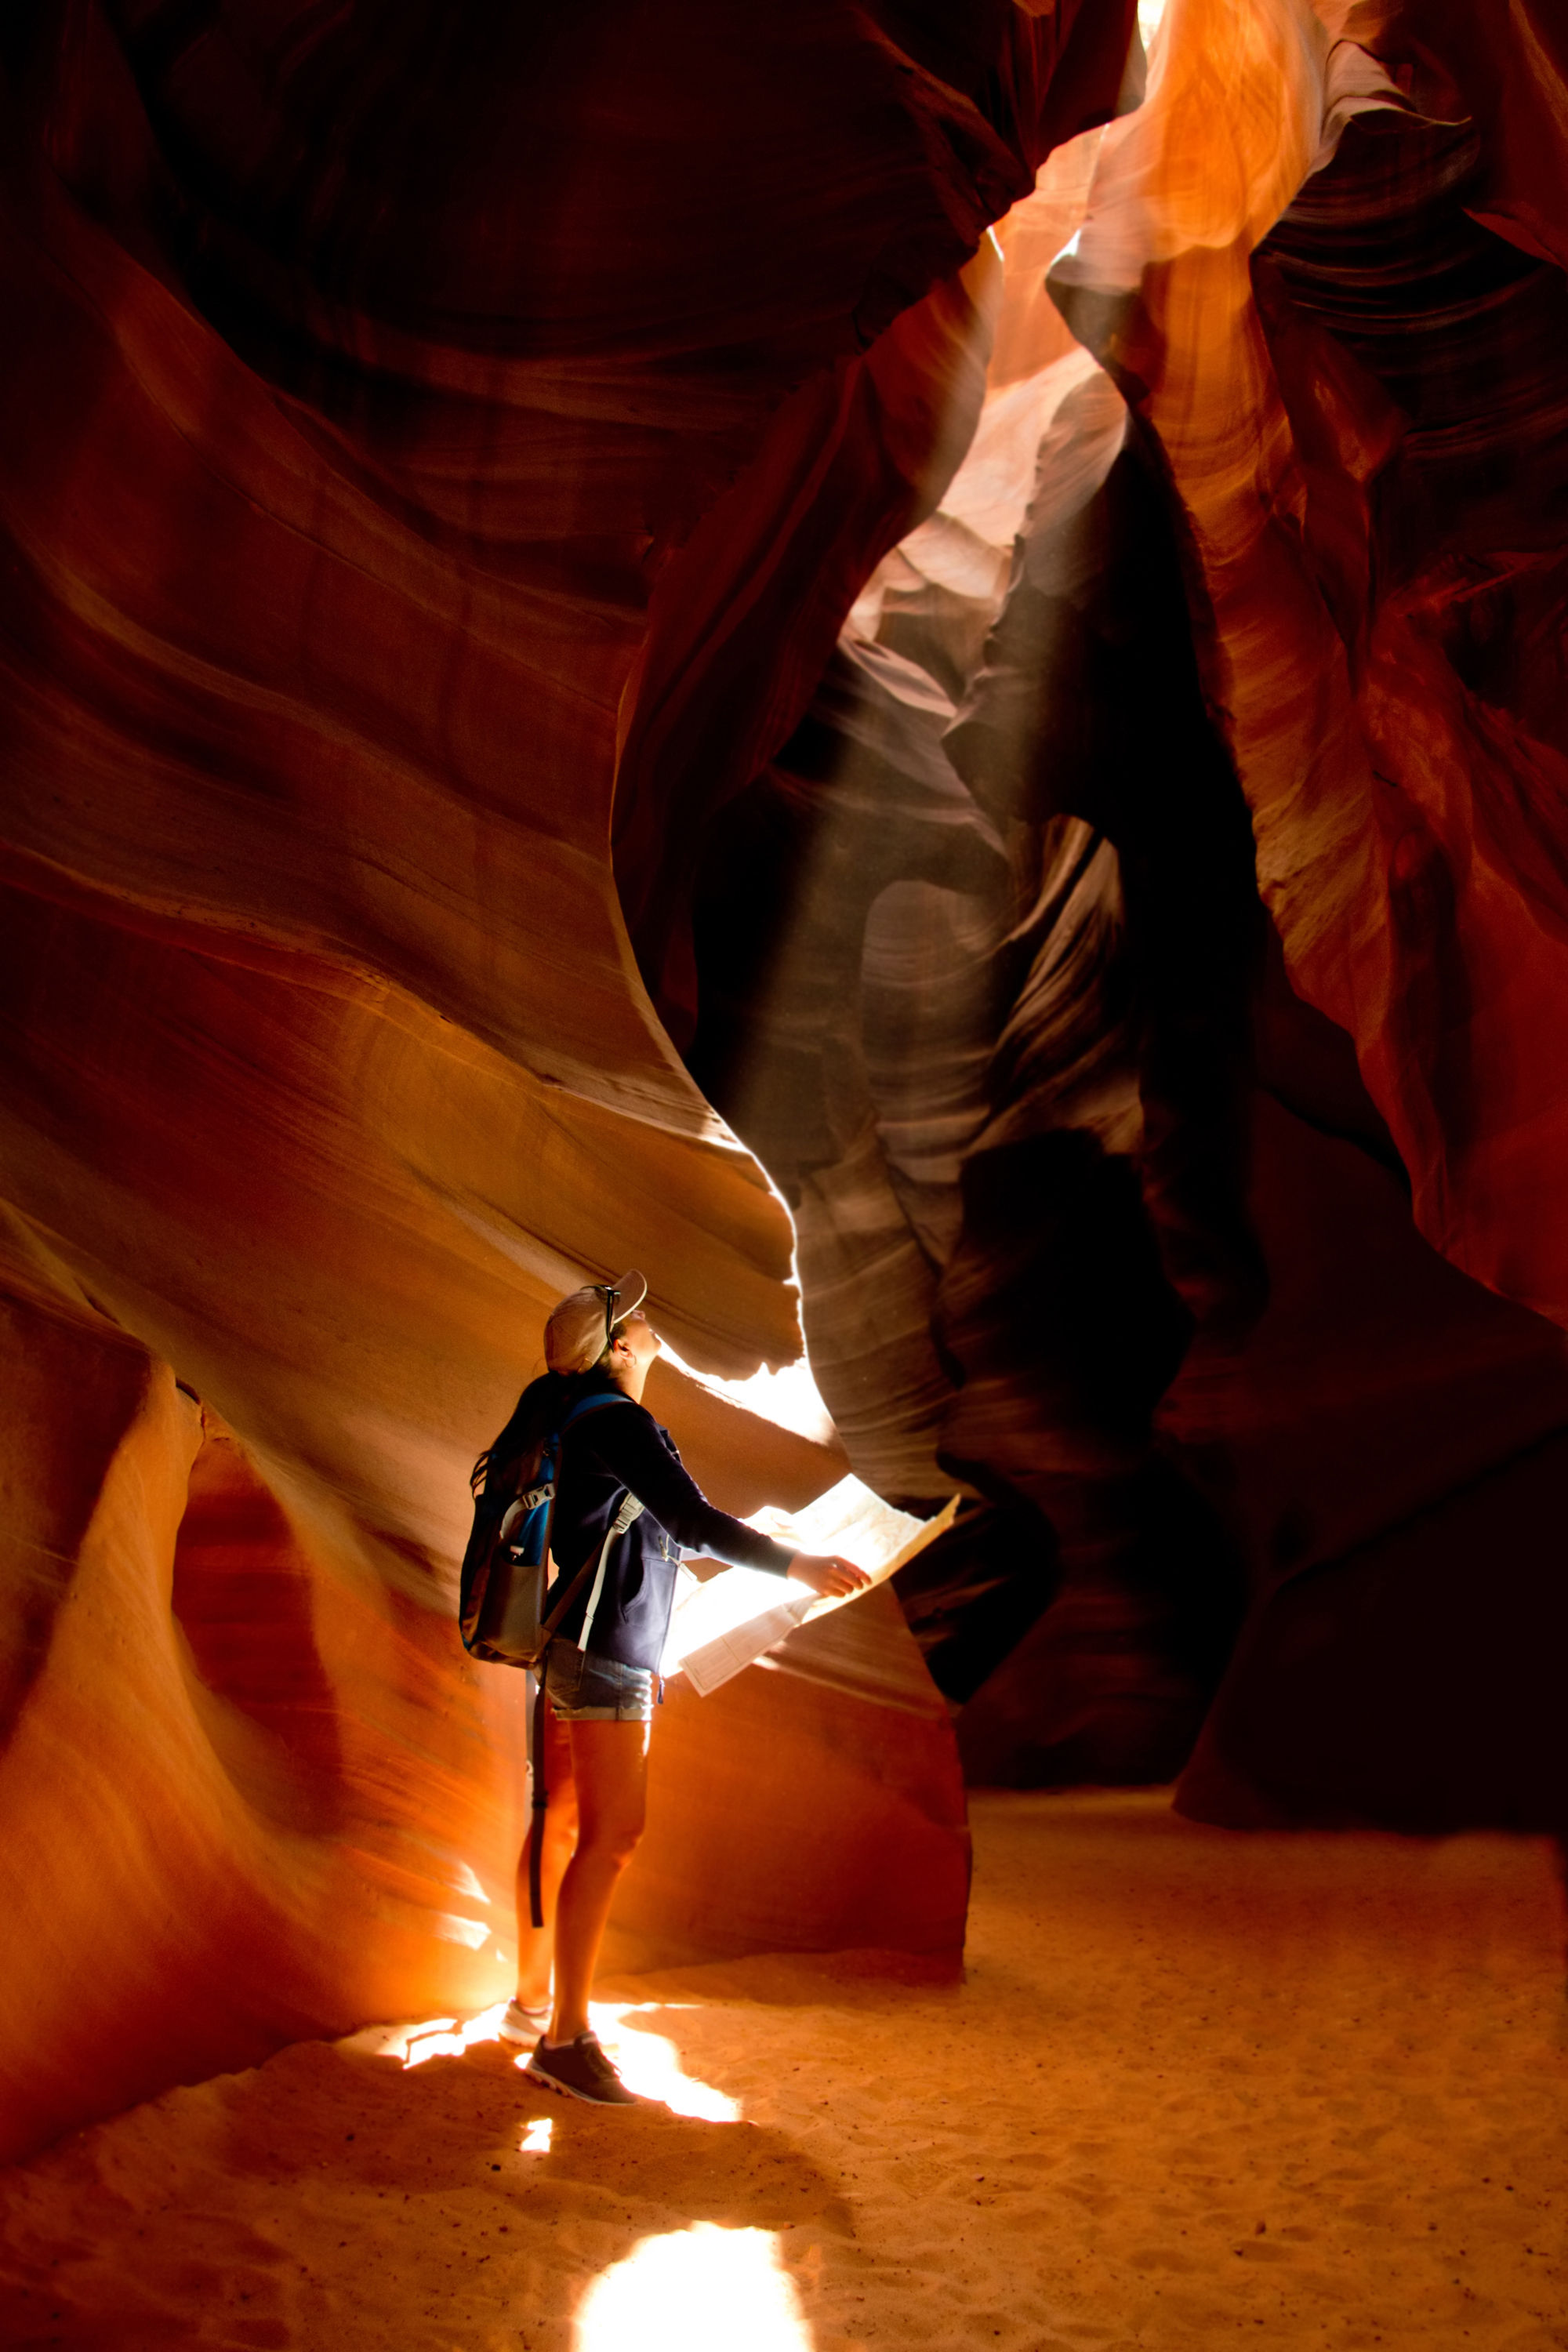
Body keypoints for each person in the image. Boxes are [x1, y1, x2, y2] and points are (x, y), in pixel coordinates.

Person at [492, 1269, 869, 2106]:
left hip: (569, 1643)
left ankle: (528, 2008)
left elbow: (656, 1530)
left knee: (557, 1825)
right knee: (613, 1834)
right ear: (619, 1346)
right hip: (608, 1656)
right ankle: (565, 2040)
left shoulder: (572, 1413)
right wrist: (798, 1564)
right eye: (640, 1321)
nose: (654, 1326)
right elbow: (691, 1522)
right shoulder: (619, 1421)